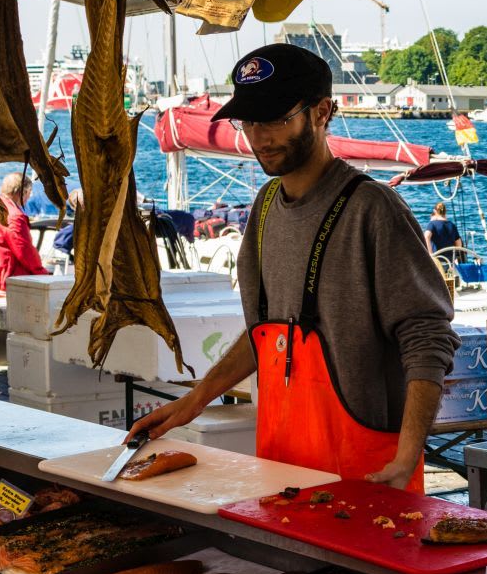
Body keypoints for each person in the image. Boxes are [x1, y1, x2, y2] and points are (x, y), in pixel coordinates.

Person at [128, 43, 457, 490]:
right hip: (280, 469)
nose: (259, 137)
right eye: (249, 121)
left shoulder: (371, 210)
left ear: (322, 112)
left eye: (276, 119)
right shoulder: (263, 209)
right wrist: (194, 401)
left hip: (369, 475)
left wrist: (406, 459)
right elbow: (266, 334)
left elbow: (427, 338)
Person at [0, 171, 47, 291]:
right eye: (29, 192)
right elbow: (25, 253)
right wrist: (44, 274)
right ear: (24, 192)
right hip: (4, 281)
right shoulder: (14, 216)